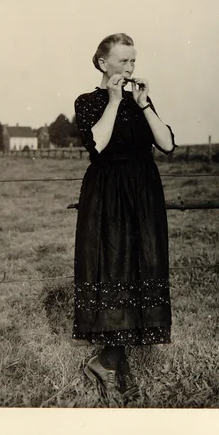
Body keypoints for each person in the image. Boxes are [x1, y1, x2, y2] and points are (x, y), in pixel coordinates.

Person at [72, 33, 176, 405]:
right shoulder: (88, 103)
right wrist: (115, 102)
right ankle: (113, 364)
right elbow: (97, 144)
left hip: (143, 194)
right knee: (114, 269)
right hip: (109, 196)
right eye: (123, 62)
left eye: (133, 61)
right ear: (103, 63)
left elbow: (166, 144)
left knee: (141, 268)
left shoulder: (140, 101)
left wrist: (145, 105)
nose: (131, 68)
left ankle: (109, 362)